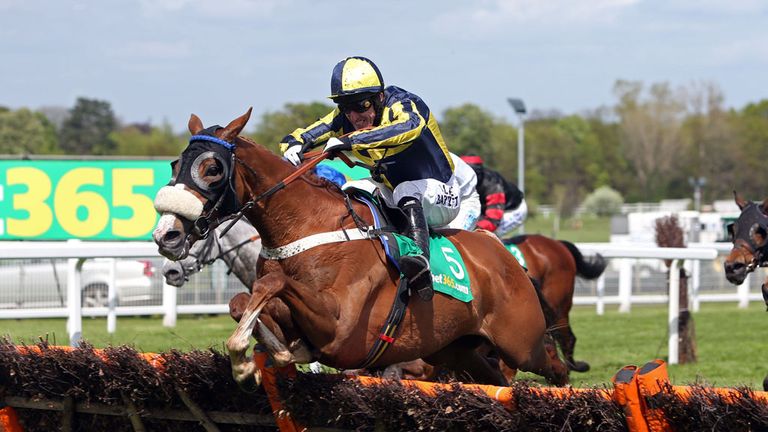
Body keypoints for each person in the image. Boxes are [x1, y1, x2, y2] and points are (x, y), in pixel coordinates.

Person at [279, 56, 461, 301]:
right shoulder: (344, 118)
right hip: (395, 193)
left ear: (380, 97)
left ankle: (420, 265)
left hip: (441, 194)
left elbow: (410, 127)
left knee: (405, 189)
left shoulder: (404, 103)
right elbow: (301, 135)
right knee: (351, 190)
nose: (354, 115)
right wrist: (293, 145)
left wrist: (350, 140)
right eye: (346, 107)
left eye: (362, 105)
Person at [460, 155, 527, 238]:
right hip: (485, 210)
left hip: (512, 210)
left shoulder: (493, 186)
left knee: (488, 236)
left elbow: (493, 220)